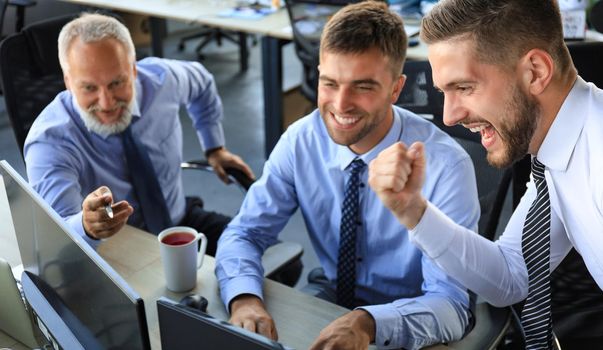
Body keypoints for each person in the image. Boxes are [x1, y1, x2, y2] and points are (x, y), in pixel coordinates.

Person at [216, 2, 480, 349]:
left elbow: (450, 302)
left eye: (363, 86)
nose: (340, 104)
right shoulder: (301, 141)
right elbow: (245, 233)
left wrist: (369, 322)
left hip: (417, 319)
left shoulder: (447, 166)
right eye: (329, 83)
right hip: (331, 300)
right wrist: (244, 298)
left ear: (396, 89)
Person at [368, 0, 603, 349]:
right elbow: (511, 277)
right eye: (443, 92)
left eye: (464, 88)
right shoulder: (557, 153)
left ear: (536, 71)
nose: (449, 116)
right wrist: (414, 212)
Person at [24, 13, 254, 255]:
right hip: (113, 252)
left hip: (179, 221)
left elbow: (203, 83)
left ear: (133, 70)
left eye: (116, 83)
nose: (106, 103)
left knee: (278, 260)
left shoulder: (162, 80)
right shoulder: (50, 141)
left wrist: (214, 148)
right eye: (89, 87)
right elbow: (62, 239)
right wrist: (87, 226)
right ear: (68, 82)